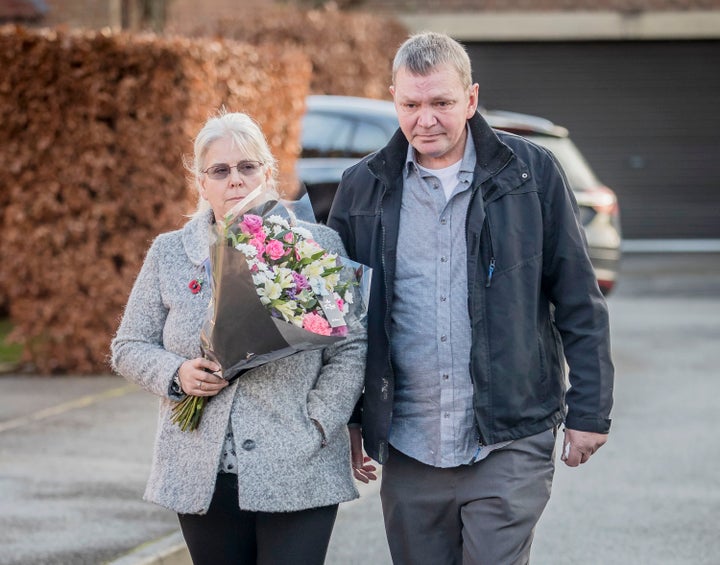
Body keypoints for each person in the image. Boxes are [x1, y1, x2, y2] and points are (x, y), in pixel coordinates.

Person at [327, 32, 614, 564]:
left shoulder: (529, 174)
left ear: (472, 99)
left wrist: (590, 411)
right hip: (409, 444)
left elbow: (578, 299)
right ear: (394, 98)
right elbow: (343, 321)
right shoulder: (361, 187)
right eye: (411, 104)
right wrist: (349, 420)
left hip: (508, 436)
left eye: (441, 103)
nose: (425, 119)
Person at [111, 111, 366, 565]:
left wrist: (321, 421)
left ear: (268, 174)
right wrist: (178, 374)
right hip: (200, 471)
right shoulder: (170, 253)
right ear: (201, 183)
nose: (235, 180)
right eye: (221, 170)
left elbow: (349, 345)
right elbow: (128, 345)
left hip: (298, 463)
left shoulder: (315, 246)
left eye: (248, 167)